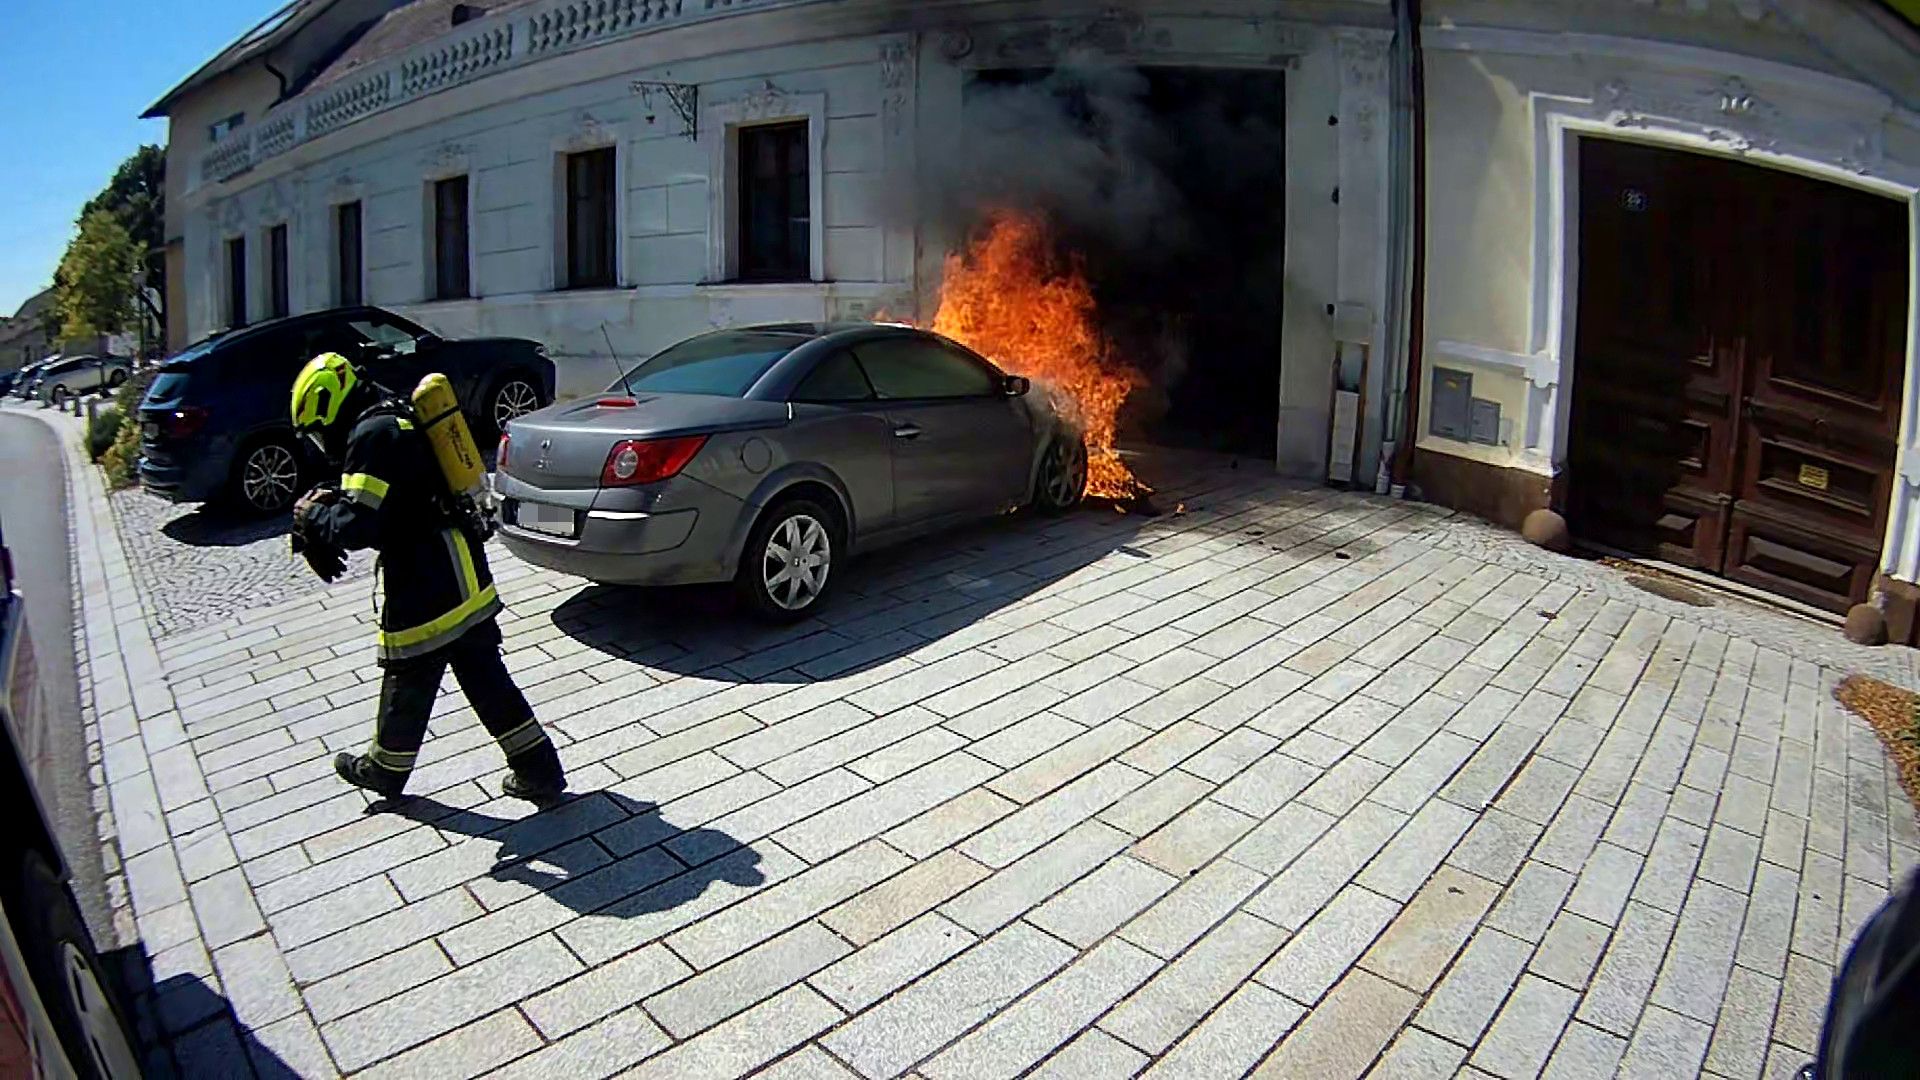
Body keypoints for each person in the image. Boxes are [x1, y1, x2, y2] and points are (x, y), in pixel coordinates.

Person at [289, 352, 565, 802]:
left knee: (408, 669)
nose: (322, 443)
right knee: (482, 674)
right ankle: (539, 767)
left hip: (427, 578)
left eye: (319, 432)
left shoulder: (371, 434)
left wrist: (313, 515)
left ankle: (385, 770)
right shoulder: (393, 417)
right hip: (460, 566)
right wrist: (323, 513)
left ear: (330, 408)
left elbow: (361, 525)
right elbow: (385, 497)